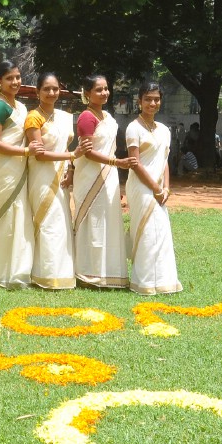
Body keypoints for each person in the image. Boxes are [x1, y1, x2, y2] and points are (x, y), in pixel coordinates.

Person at [73, 74, 135, 288]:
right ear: (87, 93)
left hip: (109, 176)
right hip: (91, 176)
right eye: (98, 90)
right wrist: (117, 162)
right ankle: (87, 273)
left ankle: (108, 272)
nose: (104, 93)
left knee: (108, 219)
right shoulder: (87, 117)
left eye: (106, 89)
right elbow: (87, 153)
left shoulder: (107, 116)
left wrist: (115, 165)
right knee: (93, 220)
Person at [124, 82, 182, 295]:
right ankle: (144, 282)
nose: (152, 103)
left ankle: (165, 281)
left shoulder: (164, 130)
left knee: (162, 232)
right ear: (139, 101)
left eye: (156, 99)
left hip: (159, 188)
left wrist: (166, 188)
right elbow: (135, 162)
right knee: (147, 232)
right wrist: (155, 189)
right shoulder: (134, 128)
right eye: (148, 99)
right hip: (141, 187)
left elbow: (164, 160)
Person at [25, 72, 81, 289]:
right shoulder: (33, 117)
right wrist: (72, 156)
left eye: (55, 89)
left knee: (62, 221)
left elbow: (64, 147)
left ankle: (63, 273)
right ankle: (44, 274)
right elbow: (39, 154)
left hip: (62, 176)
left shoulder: (64, 116)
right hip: (42, 176)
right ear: (38, 91)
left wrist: (71, 168)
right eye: (46, 89)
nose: (51, 93)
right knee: (47, 222)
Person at [0, 60, 34, 289]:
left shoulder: (21, 107)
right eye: (9, 78)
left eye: (17, 77)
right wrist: (25, 151)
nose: (15, 82)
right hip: (2, 167)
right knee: (4, 215)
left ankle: (18, 269)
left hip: (18, 167)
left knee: (19, 214)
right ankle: (1, 271)